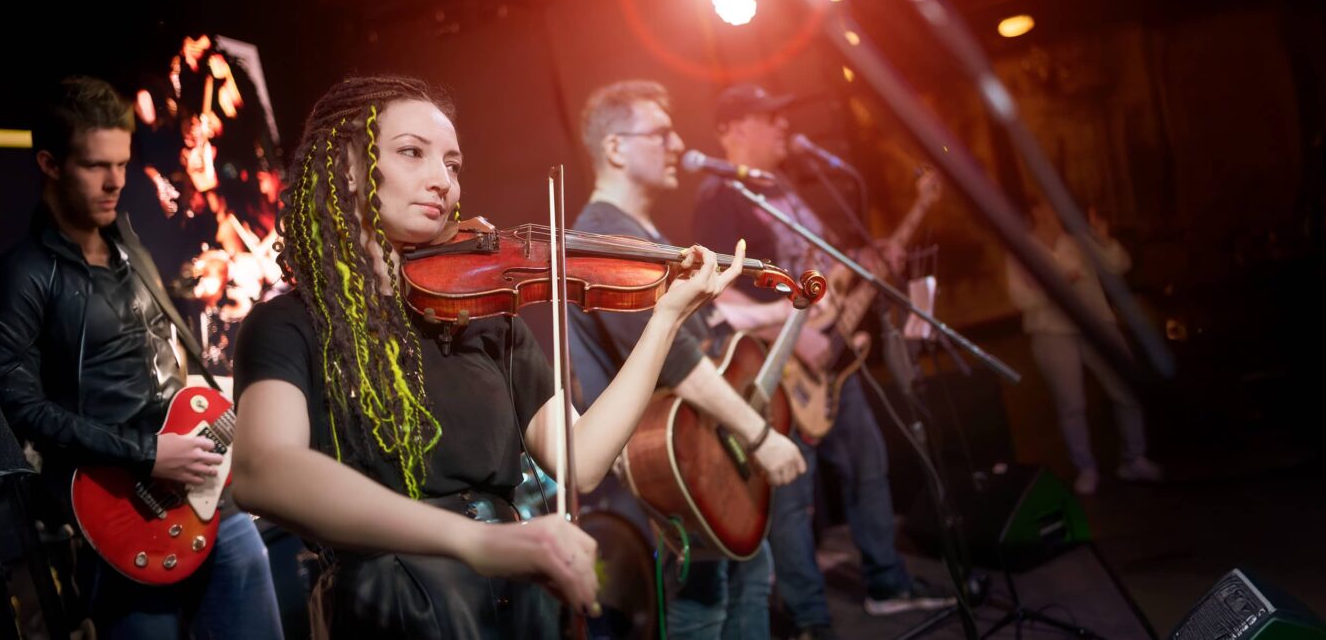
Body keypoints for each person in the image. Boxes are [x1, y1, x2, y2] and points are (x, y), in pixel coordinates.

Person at [226, 75, 744, 639]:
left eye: (452, 164)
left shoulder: (485, 316)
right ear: (347, 167)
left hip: (516, 601)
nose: (442, 181)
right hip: (397, 608)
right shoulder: (286, 327)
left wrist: (665, 319)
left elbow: (582, 461)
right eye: (411, 153)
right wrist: (479, 541)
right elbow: (262, 471)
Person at [0, 76, 283, 638]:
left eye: (121, 163)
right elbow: (14, 405)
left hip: (205, 489)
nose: (116, 181)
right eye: (97, 166)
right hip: (122, 511)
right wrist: (147, 454)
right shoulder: (22, 276)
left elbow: (167, 367)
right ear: (49, 164)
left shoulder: (129, 245)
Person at [691, 84, 954, 638]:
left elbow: (822, 259)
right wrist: (791, 330)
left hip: (832, 352)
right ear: (734, 128)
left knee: (867, 462)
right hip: (780, 363)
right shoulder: (720, 197)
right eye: (771, 119)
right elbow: (719, 291)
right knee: (791, 497)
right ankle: (811, 618)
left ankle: (887, 582)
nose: (785, 129)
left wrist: (868, 253)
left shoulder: (783, 188)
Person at [563, 79, 807, 637]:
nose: (677, 145)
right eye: (660, 133)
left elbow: (694, 337)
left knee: (743, 585)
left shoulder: (640, 232)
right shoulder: (606, 238)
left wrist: (771, 317)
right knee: (705, 608)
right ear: (616, 149)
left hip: (699, 457)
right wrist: (761, 435)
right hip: (667, 467)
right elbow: (677, 360)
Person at [1003, 197, 1160, 495]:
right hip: (1052, 332)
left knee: (1126, 388)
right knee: (1071, 404)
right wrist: (1056, 288)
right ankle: (1086, 469)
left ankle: (1134, 458)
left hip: (1097, 325)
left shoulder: (1078, 240)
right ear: (1034, 212)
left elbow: (1119, 264)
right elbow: (1020, 299)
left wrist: (1103, 239)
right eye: (1047, 207)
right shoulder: (1021, 252)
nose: (1055, 212)